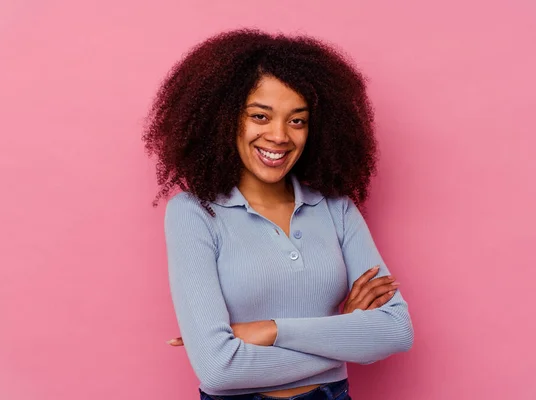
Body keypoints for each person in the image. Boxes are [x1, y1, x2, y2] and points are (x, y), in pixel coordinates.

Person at [143, 29, 414, 400]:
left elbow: (396, 331)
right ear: (225, 120)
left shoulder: (336, 209)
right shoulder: (194, 213)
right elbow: (219, 369)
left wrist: (269, 330)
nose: (279, 136)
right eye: (260, 116)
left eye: (297, 120)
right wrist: (344, 335)